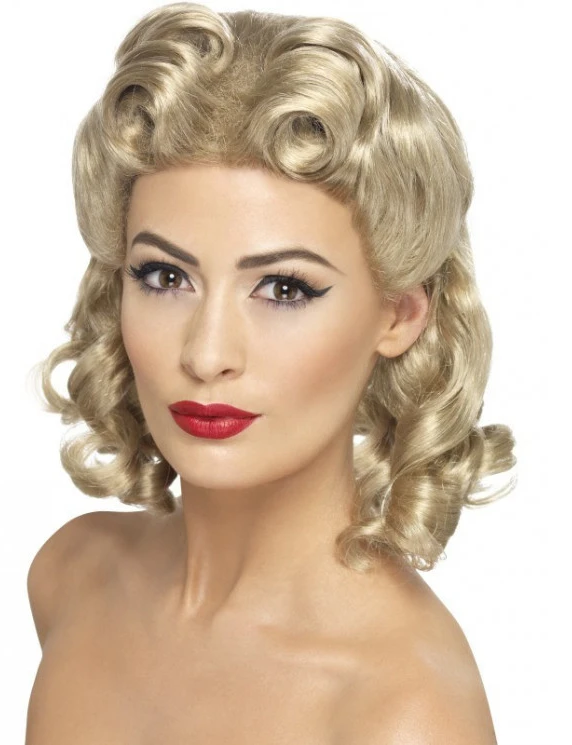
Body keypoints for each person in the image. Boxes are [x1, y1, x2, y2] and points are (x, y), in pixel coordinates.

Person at [25, 2, 517, 742]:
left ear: (399, 314)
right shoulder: (74, 574)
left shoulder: (404, 711)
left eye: (284, 288)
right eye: (165, 276)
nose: (205, 353)